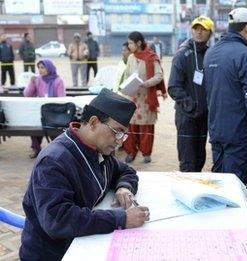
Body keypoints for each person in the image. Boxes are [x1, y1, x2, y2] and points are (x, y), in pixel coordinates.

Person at [19, 89, 149, 260]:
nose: (119, 141)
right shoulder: (54, 160)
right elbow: (58, 220)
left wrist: (123, 188)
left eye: (123, 135)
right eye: (116, 132)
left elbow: (125, 171)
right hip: (53, 254)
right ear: (94, 122)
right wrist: (121, 218)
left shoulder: (98, 149)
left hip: (84, 244)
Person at [203, 7, 247, 187]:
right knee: (235, 185)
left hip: (216, 129)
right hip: (239, 132)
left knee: (219, 182)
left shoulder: (211, 52)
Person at [168, 16, 214, 172]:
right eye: (196, 28)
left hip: (204, 115)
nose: (199, 32)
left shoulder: (210, 54)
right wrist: (192, 106)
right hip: (187, 116)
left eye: (203, 29)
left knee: (200, 159)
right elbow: (173, 87)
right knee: (188, 162)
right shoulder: (182, 54)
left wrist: (206, 107)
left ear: (210, 33)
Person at [123, 31, 166, 164]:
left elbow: (159, 76)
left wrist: (146, 83)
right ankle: (131, 152)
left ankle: (146, 153)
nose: (129, 46)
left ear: (139, 43)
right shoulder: (131, 58)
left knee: (146, 128)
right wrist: (127, 85)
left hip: (147, 99)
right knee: (131, 127)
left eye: (131, 43)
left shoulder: (151, 57)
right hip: (133, 98)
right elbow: (126, 75)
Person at [23, 59, 66, 158]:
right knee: (34, 125)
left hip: (54, 112)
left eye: (43, 67)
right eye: (39, 68)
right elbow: (26, 94)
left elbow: (61, 99)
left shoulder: (58, 80)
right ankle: (36, 148)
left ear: (49, 68)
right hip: (41, 111)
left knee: (54, 130)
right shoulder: (37, 79)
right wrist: (31, 83)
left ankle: (57, 150)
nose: (40, 70)